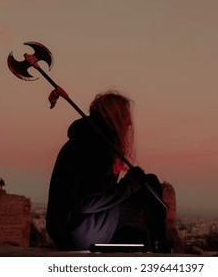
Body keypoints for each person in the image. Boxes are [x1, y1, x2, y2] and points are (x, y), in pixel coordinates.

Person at [45, 89, 170, 252]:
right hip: (80, 230)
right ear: (115, 117)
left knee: (136, 238)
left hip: (66, 234)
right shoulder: (98, 146)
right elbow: (88, 203)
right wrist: (130, 185)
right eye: (126, 116)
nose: (130, 123)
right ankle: (162, 250)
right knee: (150, 183)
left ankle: (157, 247)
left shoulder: (85, 140)